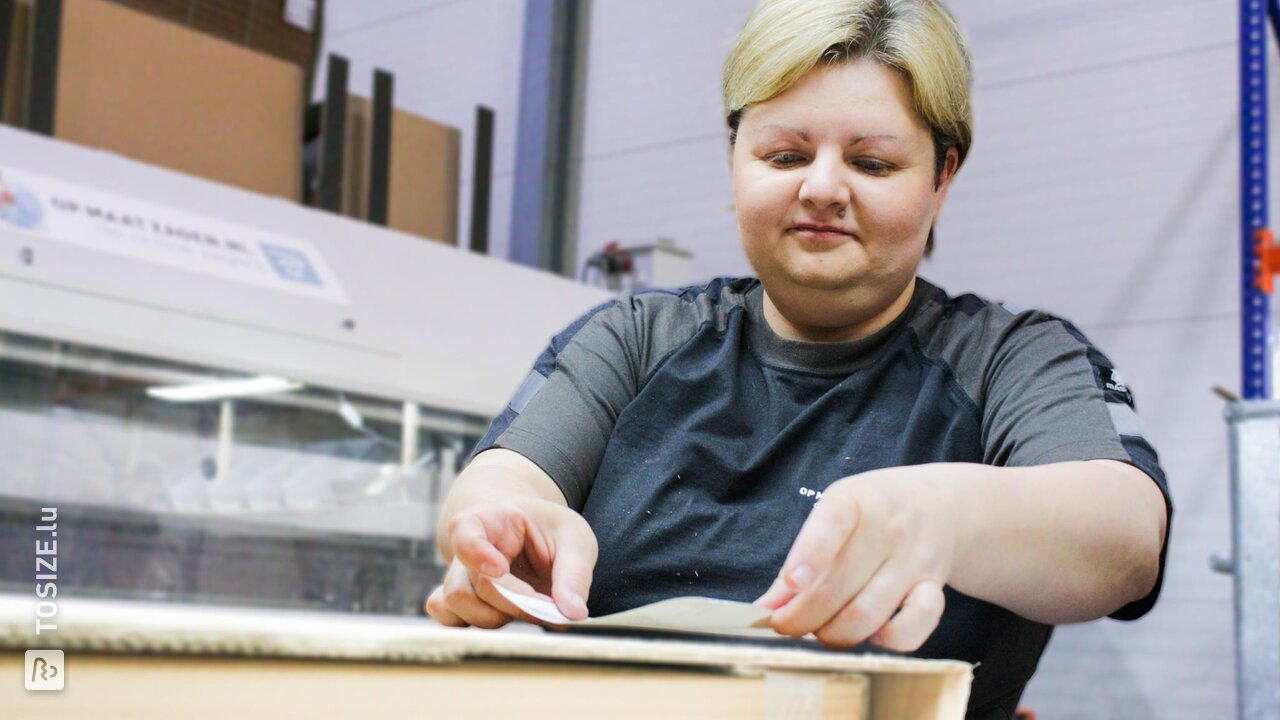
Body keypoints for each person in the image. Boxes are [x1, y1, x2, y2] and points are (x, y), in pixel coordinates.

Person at [425, 1, 1171, 717]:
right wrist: (509, 527)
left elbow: (1125, 537)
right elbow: (502, 479)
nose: (821, 189)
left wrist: (948, 520)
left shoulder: (1012, 359)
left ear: (942, 177)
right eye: (784, 154)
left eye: (873, 163)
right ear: (734, 157)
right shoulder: (634, 338)